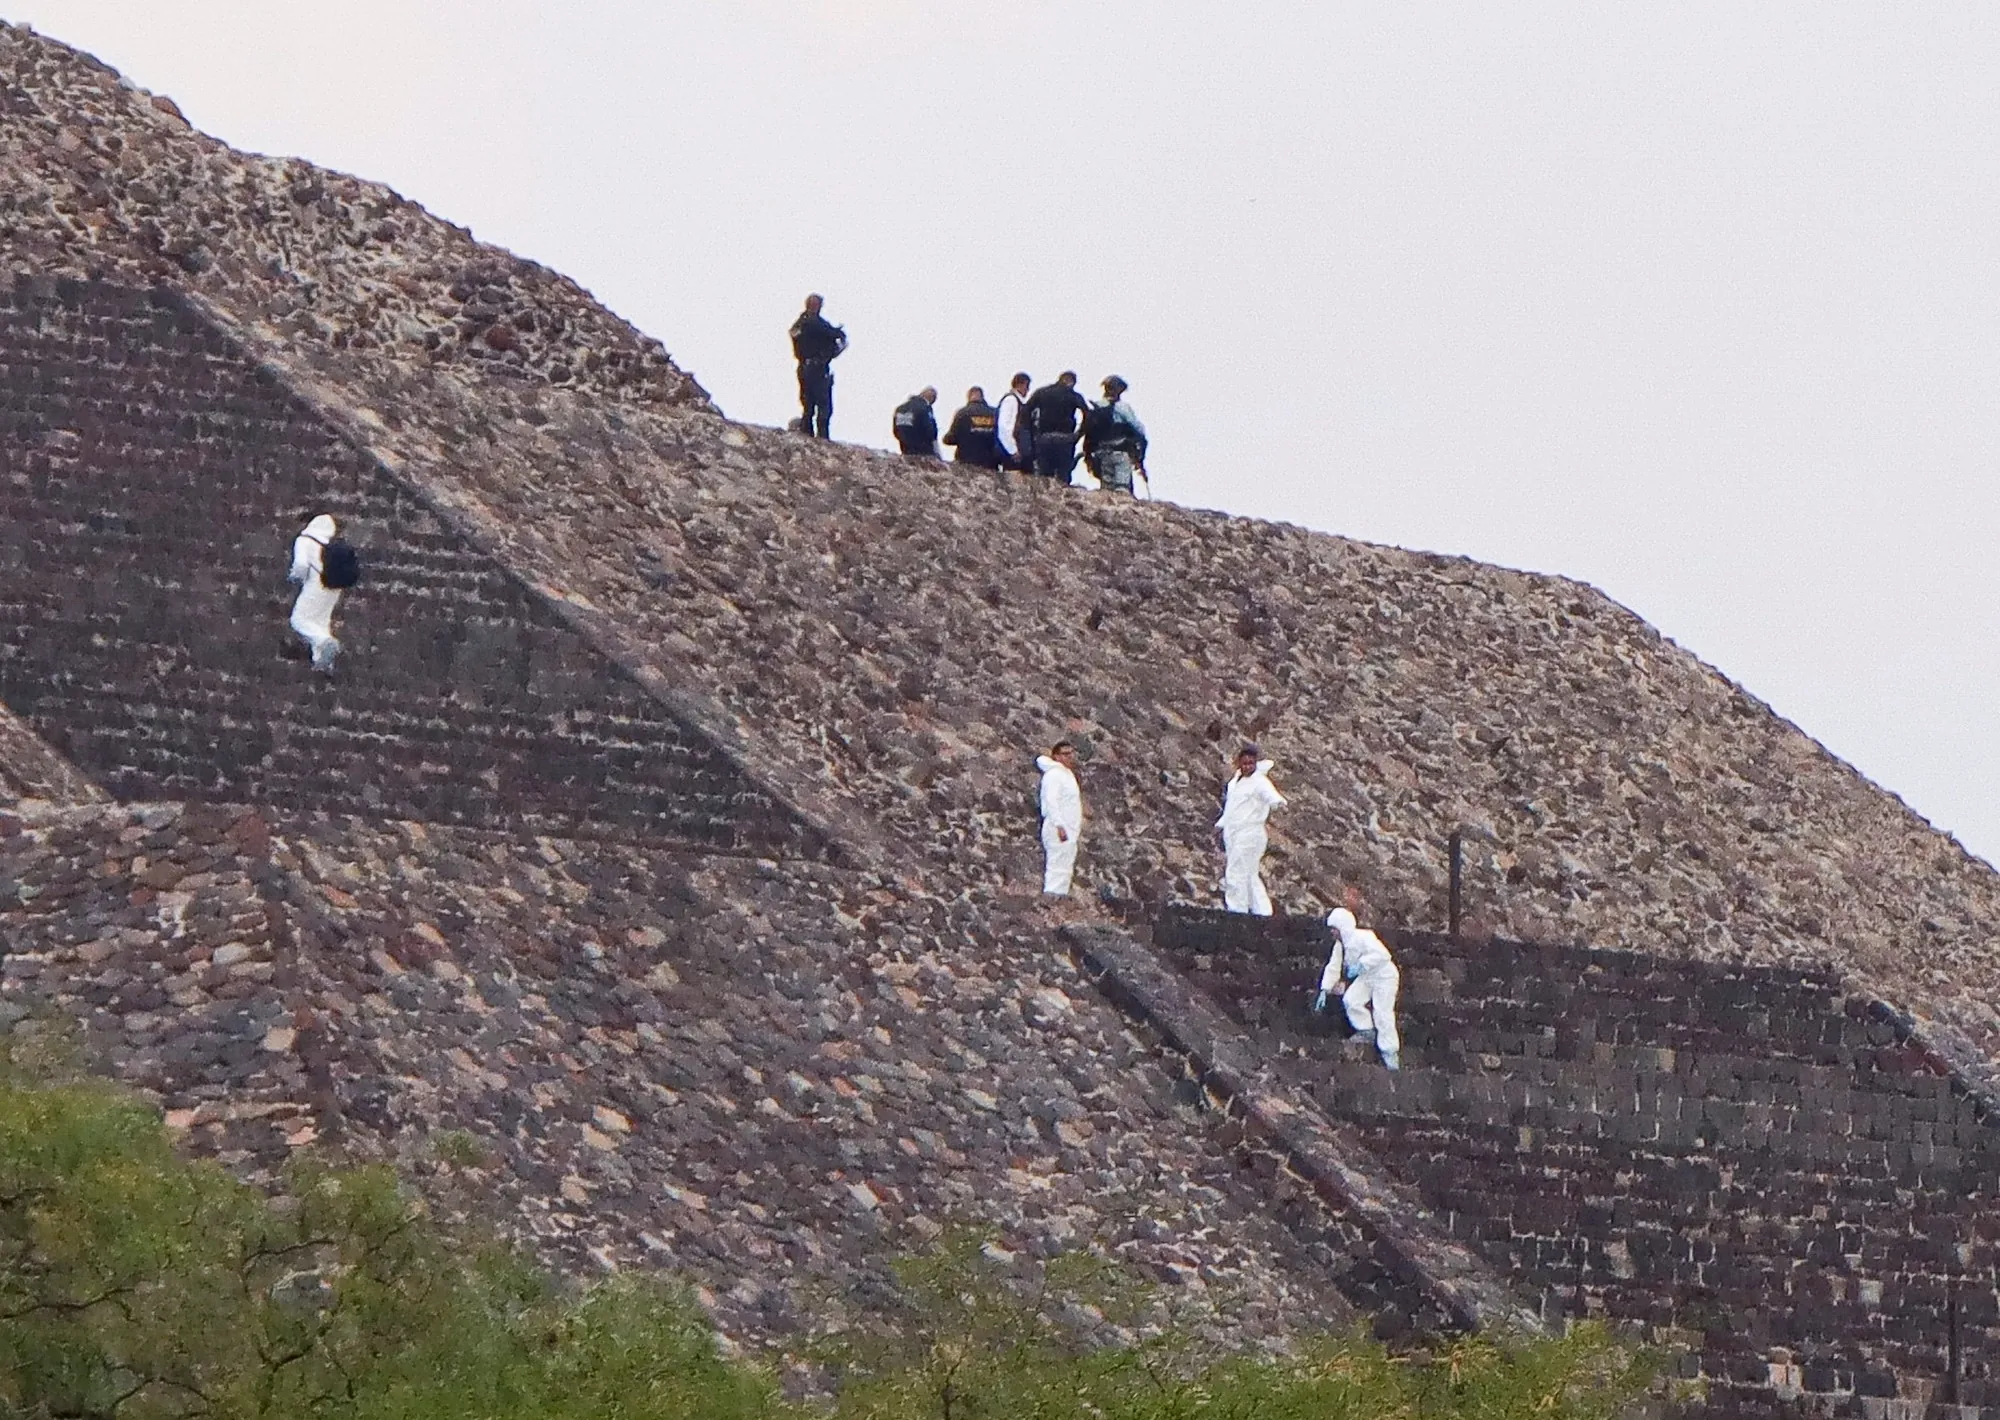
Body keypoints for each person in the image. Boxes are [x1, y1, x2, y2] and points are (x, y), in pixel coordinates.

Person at [1316, 906, 1401, 1070]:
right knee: (1351, 1000)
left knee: (1382, 1012)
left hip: (1384, 975)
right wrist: (1324, 989)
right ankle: (1366, 1030)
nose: (1332, 932)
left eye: (1334, 928)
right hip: (1367, 976)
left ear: (1342, 927)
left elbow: (1383, 955)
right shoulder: (1340, 946)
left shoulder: (1364, 937)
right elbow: (1333, 966)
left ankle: (1389, 1052)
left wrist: (1361, 964)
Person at [1217, 745, 1285, 914]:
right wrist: (1221, 824)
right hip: (1233, 833)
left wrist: (1277, 803)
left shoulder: (1259, 782)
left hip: (1250, 832)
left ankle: (1236, 910)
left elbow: (1271, 795)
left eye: (1251, 763)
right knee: (1249, 874)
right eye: (1245, 763)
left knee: (1235, 872)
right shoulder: (1235, 782)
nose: (1247, 767)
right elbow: (1232, 807)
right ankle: (1262, 911)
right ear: (1239, 763)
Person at [288, 513, 346, 672]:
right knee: (321, 621)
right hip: (334, 586)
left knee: (298, 620)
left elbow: (301, 565)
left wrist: (294, 577)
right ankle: (321, 660)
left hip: (316, 583)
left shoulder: (304, 540)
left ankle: (324, 642)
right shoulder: (328, 545)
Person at [789, 294, 847, 438]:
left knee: (810, 404)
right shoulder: (813, 323)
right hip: (816, 368)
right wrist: (838, 334)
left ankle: (809, 434)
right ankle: (820, 437)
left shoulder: (800, 324)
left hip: (806, 367)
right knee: (821, 405)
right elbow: (830, 333)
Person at [1082, 375, 1148, 495]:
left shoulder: (1097, 407)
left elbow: (1088, 432)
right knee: (1122, 488)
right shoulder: (1122, 407)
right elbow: (1138, 429)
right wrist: (1140, 454)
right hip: (1121, 452)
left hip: (1102, 453)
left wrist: (1088, 456)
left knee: (1106, 489)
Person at [1024, 371, 1090, 483]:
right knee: (1063, 474)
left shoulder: (1042, 392)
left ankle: (1045, 492)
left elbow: (1026, 411)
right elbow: (1088, 415)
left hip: (1044, 437)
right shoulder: (1073, 396)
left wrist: (1032, 433)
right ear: (1071, 382)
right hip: (1065, 438)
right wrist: (1078, 435)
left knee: (1044, 475)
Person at [1037, 741, 1083, 896]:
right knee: (1056, 863)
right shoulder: (1054, 775)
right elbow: (1051, 801)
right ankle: (1052, 895)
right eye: (1065, 754)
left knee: (1065, 865)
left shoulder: (1067, 774)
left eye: (1071, 753)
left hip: (1069, 828)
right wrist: (1059, 825)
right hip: (1058, 827)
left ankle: (1060, 896)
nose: (1070, 757)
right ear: (1056, 756)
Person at [942, 387, 1003, 468]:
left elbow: (950, 439)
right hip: (990, 463)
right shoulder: (995, 413)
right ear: (982, 397)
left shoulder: (962, 413)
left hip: (966, 463)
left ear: (969, 397)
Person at [994, 372, 1033, 472]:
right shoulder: (1011, 400)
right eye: (1026, 386)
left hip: (1019, 451)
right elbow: (1004, 427)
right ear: (1020, 384)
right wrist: (1013, 450)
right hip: (1014, 453)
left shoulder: (1019, 402)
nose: (1028, 389)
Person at [892, 387, 941, 459]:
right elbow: (930, 430)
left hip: (905, 449)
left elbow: (896, 429)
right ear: (931, 398)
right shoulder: (925, 409)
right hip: (924, 451)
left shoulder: (900, 409)